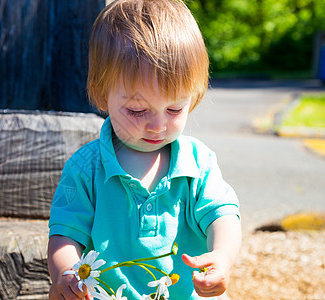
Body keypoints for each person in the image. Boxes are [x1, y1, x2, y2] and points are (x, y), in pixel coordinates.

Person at [47, 0, 241, 299]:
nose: (157, 125)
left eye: (175, 108)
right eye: (137, 110)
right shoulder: (86, 168)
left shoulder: (197, 163)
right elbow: (65, 234)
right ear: (102, 93)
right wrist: (66, 274)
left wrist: (222, 257)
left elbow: (223, 215)